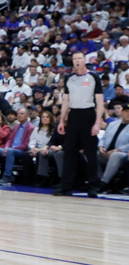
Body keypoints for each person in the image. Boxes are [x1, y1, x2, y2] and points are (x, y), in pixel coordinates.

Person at [54, 52, 104, 197]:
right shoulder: (69, 78)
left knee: (90, 152)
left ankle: (93, 186)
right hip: (73, 115)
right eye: (75, 59)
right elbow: (66, 101)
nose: (77, 61)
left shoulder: (94, 77)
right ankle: (66, 186)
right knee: (69, 152)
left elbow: (100, 102)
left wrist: (97, 122)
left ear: (84, 60)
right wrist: (62, 120)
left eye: (79, 58)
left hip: (88, 114)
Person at [97, 98, 129, 193]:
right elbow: (103, 138)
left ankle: (104, 182)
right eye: (126, 111)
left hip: (122, 154)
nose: (128, 114)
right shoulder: (112, 124)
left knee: (115, 156)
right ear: (122, 113)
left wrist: (117, 150)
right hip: (106, 152)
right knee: (90, 154)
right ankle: (98, 179)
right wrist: (101, 147)